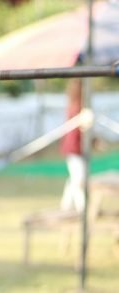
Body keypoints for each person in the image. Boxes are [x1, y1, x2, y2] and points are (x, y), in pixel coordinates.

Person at [60, 78, 86, 212]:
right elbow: (78, 131)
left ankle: (66, 206)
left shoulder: (77, 106)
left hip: (76, 147)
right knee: (78, 179)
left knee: (75, 178)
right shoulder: (76, 107)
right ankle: (82, 208)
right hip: (73, 148)